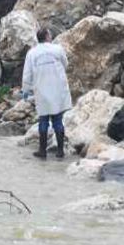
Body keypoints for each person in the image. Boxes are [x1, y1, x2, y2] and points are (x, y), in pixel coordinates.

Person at [21, 26, 72, 159]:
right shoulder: (57, 49)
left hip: (41, 90)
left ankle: (42, 151)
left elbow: (27, 74)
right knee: (58, 120)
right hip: (57, 88)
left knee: (43, 120)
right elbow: (65, 64)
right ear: (48, 37)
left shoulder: (32, 53)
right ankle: (60, 151)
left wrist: (25, 90)